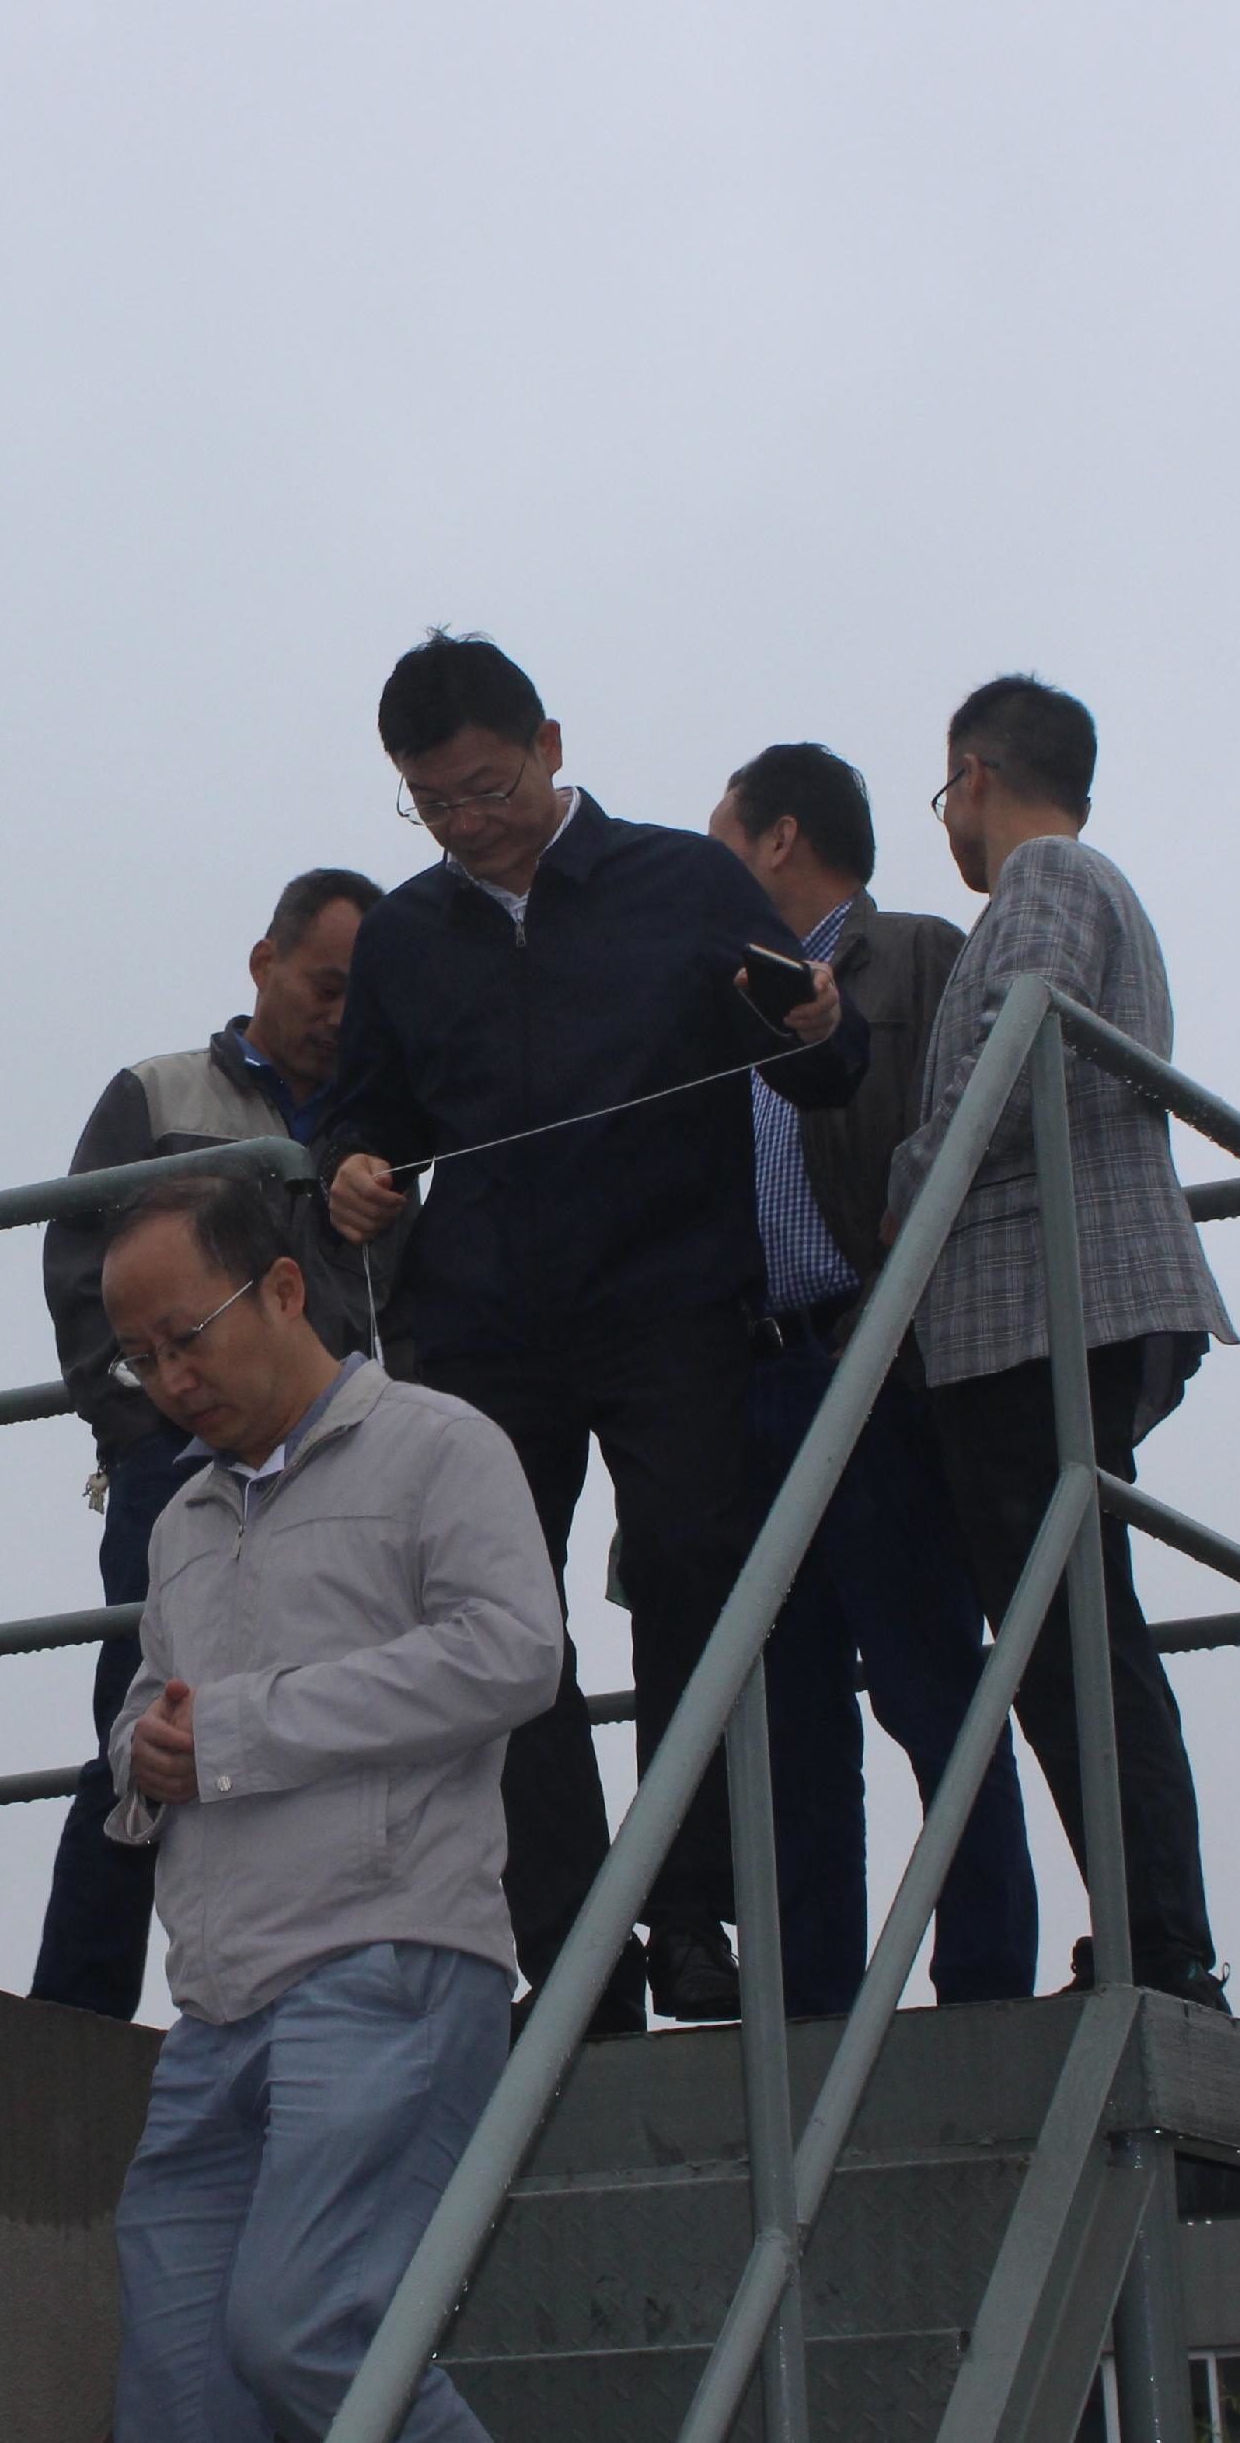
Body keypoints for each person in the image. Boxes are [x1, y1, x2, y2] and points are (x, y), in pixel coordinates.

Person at [319, 632, 864, 2028]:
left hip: (672, 1303)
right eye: (431, 803)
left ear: (551, 748)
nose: (465, 823)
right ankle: (572, 1950)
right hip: (484, 1326)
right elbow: (364, 1113)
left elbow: (824, 1066)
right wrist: (352, 1172)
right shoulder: (401, 936)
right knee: (500, 1625)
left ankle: (688, 1911)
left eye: (486, 788)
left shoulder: (684, 880)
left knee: (691, 1574)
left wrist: (818, 1024)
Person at [96, 1167, 562, 2443]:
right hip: (213, 2006)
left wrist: (240, 1728)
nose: (168, 1379)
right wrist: (145, 1751)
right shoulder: (181, 1517)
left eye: (184, 1336)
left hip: (386, 1962)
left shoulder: (438, 1443)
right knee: (178, 2404)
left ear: (285, 1288)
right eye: (139, 1358)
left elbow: (514, 1651)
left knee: (305, 2330)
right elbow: (145, 1704)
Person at [887, 676, 1237, 2009]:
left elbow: (1009, 1046)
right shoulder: (1083, 880)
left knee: (1072, 1636)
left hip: (1035, 1304)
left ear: (974, 775)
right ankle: (1153, 1932)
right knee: (1074, 1631)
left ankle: (1158, 1938)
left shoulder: (1044, 877)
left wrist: (907, 1183)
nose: (949, 822)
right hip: (1063, 1301)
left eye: (945, 792)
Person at [701, 742, 1040, 2019]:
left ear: (779, 837)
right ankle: (808, 2006)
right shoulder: (717, 996)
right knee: (784, 1712)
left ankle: (984, 1983)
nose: (707, 869)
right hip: (746, 1374)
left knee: (926, 1678)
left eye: (721, 839)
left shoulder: (913, 956)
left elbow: (969, 1133)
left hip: (873, 1358)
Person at [28, 865, 389, 2019]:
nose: (341, 1015)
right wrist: (153, 1426)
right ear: (263, 962)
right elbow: (80, 1277)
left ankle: (293, 1997)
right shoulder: (155, 1093)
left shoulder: (384, 1123)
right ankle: (74, 2019)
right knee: (141, 1733)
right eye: (325, 985)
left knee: (327, 1729)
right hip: (174, 1472)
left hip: (342, 1473)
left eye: (363, 995)